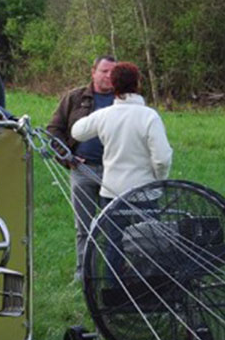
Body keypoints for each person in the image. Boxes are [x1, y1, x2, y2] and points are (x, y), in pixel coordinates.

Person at [70, 62, 172, 286]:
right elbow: (162, 158)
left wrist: (96, 118)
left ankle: (113, 293)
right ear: (138, 84)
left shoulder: (106, 115)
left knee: (114, 244)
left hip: (112, 192)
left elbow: (77, 131)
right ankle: (150, 290)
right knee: (150, 242)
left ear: (114, 85)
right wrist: (158, 178)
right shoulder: (149, 117)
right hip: (145, 192)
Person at [46, 55, 116, 281]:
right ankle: (84, 273)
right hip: (82, 171)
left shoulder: (124, 100)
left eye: (113, 72)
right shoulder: (75, 98)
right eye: (104, 71)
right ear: (93, 71)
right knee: (84, 226)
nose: (108, 76)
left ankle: (114, 275)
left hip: (115, 173)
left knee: (114, 225)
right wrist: (68, 157)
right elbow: (53, 130)